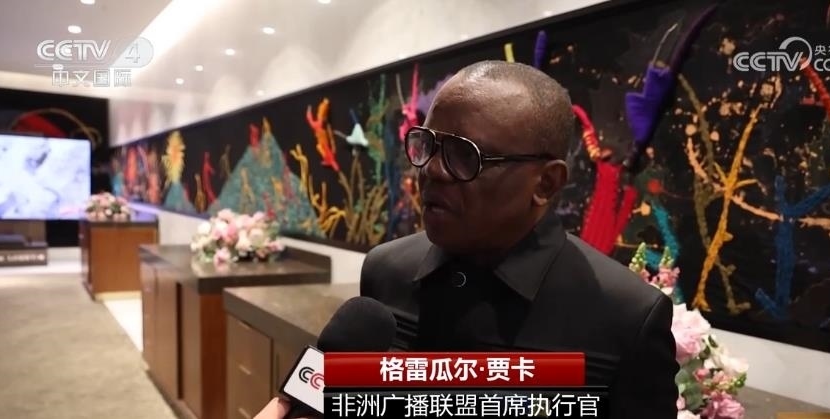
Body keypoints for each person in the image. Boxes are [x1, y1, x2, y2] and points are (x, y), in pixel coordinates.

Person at [256, 60, 678, 418]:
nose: (431, 170)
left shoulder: (626, 316)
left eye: (464, 155)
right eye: (427, 144)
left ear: (546, 183)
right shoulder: (387, 271)